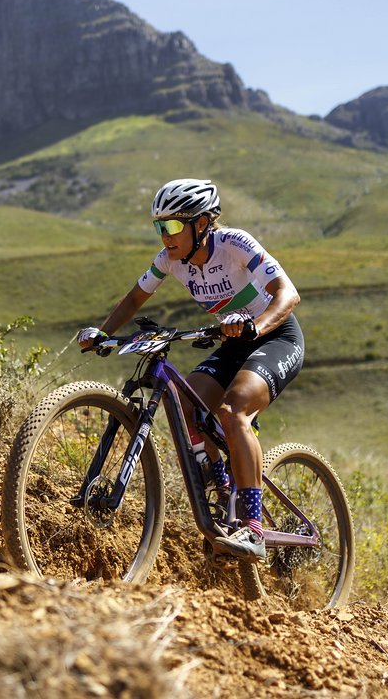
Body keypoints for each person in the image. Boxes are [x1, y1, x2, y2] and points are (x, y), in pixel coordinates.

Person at [77, 178, 303, 562]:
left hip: (275, 336)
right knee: (183, 399)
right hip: (233, 341)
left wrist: (255, 326)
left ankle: (253, 528)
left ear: (202, 223)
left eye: (173, 226)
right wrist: (104, 332)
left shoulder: (235, 243)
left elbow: (288, 295)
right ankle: (220, 477)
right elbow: (135, 297)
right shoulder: (170, 260)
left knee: (233, 411)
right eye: (159, 226)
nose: (165, 235)